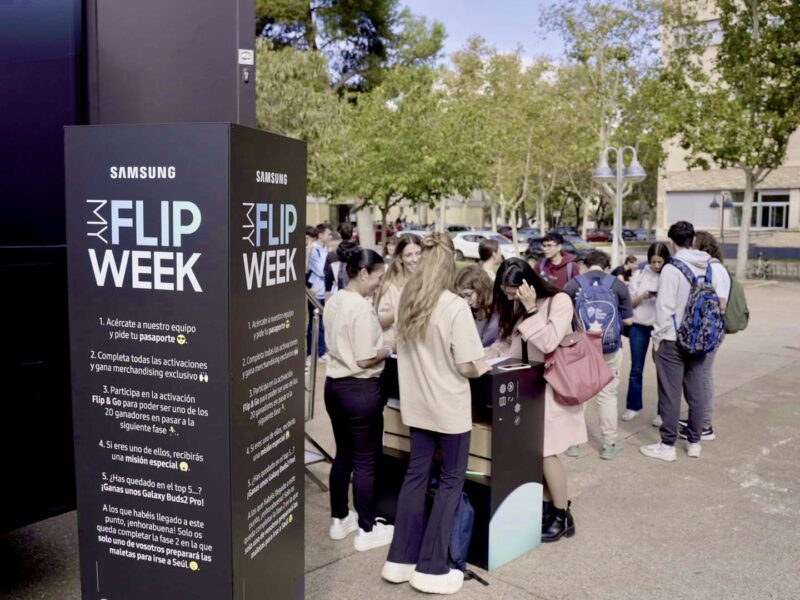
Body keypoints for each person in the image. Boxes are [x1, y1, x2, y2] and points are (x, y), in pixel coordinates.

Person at [382, 233, 490, 595]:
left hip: (417, 407)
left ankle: (400, 560)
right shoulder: (454, 307)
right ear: (448, 265)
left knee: (415, 478)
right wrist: (483, 364)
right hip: (449, 408)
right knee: (450, 483)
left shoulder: (408, 302)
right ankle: (432, 566)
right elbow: (468, 365)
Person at [485, 258, 585, 542]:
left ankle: (563, 514)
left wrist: (530, 309)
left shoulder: (559, 301)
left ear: (528, 285)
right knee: (534, 451)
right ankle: (546, 505)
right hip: (526, 387)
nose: (509, 297)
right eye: (505, 292)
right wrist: (491, 351)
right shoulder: (518, 307)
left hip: (552, 387)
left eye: (513, 292)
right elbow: (512, 342)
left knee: (546, 452)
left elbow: (549, 342)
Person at [323, 248, 395, 551]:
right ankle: (367, 529)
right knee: (365, 462)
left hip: (334, 386)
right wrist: (387, 349)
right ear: (364, 273)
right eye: (378, 277)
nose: (379, 283)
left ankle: (340, 519)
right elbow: (366, 358)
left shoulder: (335, 300)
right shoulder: (361, 308)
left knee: (343, 456)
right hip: (360, 390)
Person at [640, 221, 725, 462]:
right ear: (692, 239)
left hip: (672, 338)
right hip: (700, 337)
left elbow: (664, 306)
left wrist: (657, 337)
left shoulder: (672, 268)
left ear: (672, 242)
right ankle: (694, 441)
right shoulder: (708, 265)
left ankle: (667, 445)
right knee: (696, 390)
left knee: (670, 392)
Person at [563, 250, 633, 460]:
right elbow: (629, 321)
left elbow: (564, 317)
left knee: (580, 396)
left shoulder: (573, 285)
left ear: (586, 265)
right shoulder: (618, 285)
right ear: (606, 266)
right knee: (607, 396)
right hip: (610, 347)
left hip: (582, 347)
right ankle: (609, 445)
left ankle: (574, 444)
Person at [681, 231, 730, 441]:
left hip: (708, 332)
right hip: (706, 331)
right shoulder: (713, 266)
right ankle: (698, 417)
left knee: (702, 376)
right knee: (699, 375)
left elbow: (721, 303)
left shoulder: (715, 268)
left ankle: (705, 423)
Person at [622, 243, 672, 424]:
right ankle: (633, 406)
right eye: (654, 262)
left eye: (660, 262)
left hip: (661, 327)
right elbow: (629, 303)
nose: (657, 265)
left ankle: (661, 412)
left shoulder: (670, 274)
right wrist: (643, 296)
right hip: (640, 325)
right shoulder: (639, 275)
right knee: (636, 368)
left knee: (663, 370)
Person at [375, 234, 422, 346]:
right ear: (400, 258)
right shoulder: (390, 286)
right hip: (395, 354)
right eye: (408, 255)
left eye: (418, 253)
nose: (415, 259)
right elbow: (378, 323)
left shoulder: (428, 284)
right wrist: (402, 306)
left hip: (420, 353)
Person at [454, 264, 500, 346]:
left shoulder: (499, 310)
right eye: (462, 296)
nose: (466, 301)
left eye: (468, 295)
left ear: (480, 287)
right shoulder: (470, 310)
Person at [307, 223, 332, 362]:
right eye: (328, 234)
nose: (330, 236)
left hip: (324, 291)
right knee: (314, 323)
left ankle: (321, 351)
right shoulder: (314, 250)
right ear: (321, 234)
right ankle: (311, 353)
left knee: (323, 323)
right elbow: (323, 270)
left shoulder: (324, 249)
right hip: (315, 292)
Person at [324, 222, 360, 299]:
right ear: (352, 233)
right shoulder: (361, 253)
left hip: (339, 295)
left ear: (339, 234)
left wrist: (326, 299)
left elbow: (328, 280)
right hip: (358, 294)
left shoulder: (331, 255)